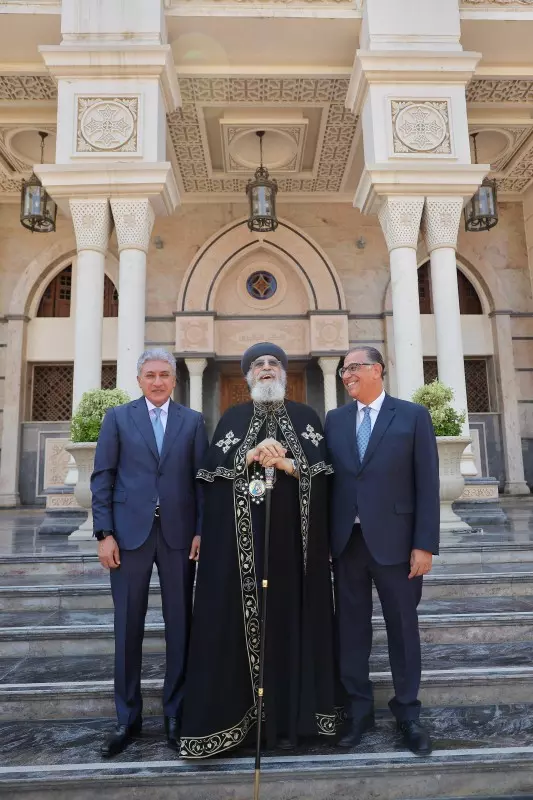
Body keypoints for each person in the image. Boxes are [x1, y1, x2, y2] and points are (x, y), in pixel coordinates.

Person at [179, 342, 337, 758]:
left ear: (283, 373)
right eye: (258, 364)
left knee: (290, 623)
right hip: (242, 556)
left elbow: (323, 477)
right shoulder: (232, 418)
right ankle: (247, 721)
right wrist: (247, 457)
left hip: (294, 552)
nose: (266, 368)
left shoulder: (306, 417)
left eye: (273, 363)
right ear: (248, 375)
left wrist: (289, 465)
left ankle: (296, 721)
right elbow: (212, 479)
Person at [91, 348, 208, 758]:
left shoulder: (192, 421)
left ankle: (176, 713)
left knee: (180, 625)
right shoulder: (118, 418)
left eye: (164, 375)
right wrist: (104, 533)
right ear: (139, 380)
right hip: (128, 536)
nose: (157, 382)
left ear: (174, 380)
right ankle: (128, 718)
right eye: (150, 375)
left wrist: (201, 530)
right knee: (128, 626)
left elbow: (201, 481)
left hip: (179, 536)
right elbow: (102, 478)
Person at [325, 346, 439, 756]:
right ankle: (359, 712)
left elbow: (427, 483)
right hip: (347, 544)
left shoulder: (412, 416)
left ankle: (407, 714)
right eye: (343, 370)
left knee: (403, 631)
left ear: (377, 369)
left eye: (353, 368)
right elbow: (329, 482)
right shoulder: (335, 420)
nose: (346, 375)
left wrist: (424, 544)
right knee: (350, 632)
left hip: (398, 545)